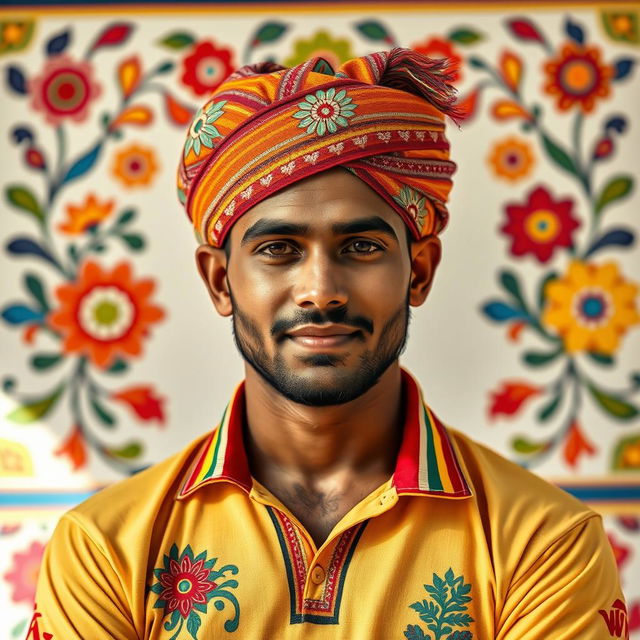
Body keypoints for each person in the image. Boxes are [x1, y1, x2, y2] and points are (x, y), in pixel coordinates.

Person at [31, 49, 627, 640]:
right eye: (278, 249)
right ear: (219, 280)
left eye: (361, 247)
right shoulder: (105, 549)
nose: (320, 291)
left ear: (419, 272)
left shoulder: (543, 543)